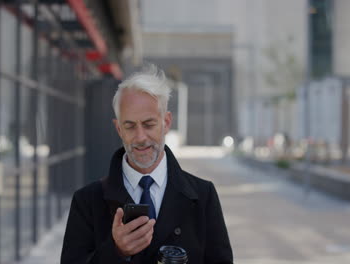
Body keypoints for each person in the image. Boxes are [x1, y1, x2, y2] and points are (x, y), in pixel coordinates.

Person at [60, 65, 233, 263]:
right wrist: (116, 252)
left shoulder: (203, 196)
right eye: (130, 126)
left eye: (149, 124)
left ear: (166, 122)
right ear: (118, 129)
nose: (140, 137)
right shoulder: (87, 201)